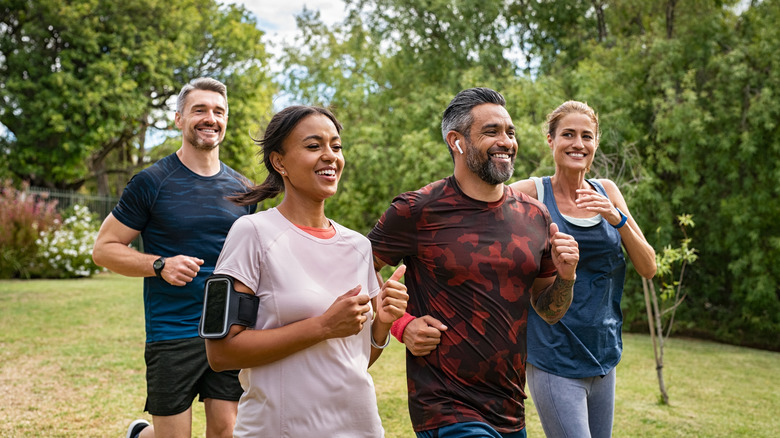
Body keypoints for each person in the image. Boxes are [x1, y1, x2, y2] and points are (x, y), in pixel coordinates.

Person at [367, 87, 580, 438]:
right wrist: (402, 325)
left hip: (509, 408)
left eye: (510, 132)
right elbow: (356, 268)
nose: (506, 141)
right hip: (444, 405)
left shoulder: (536, 216)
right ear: (457, 141)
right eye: (491, 131)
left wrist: (567, 276)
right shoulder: (417, 210)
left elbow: (549, 311)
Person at [203, 105, 409, 437]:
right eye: (314, 146)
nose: (330, 156)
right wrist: (323, 326)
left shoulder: (359, 246)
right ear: (279, 161)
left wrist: (382, 324)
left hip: (360, 428)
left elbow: (353, 360)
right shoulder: (251, 233)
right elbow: (221, 353)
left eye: (336, 146)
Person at [92, 77, 256, 438]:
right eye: (199, 110)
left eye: (218, 111)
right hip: (172, 330)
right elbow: (104, 249)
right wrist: (159, 265)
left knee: (227, 431)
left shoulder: (244, 190)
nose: (210, 118)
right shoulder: (151, 182)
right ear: (179, 118)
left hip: (227, 328)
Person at [507, 100, 656, 438]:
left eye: (586, 136)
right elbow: (480, 211)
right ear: (550, 140)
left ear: (596, 143)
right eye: (568, 134)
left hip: (604, 355)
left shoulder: (609, 192)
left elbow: (648, 266)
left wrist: (616, 218)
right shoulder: (531, 193)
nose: (578, 143)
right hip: (554, 356)